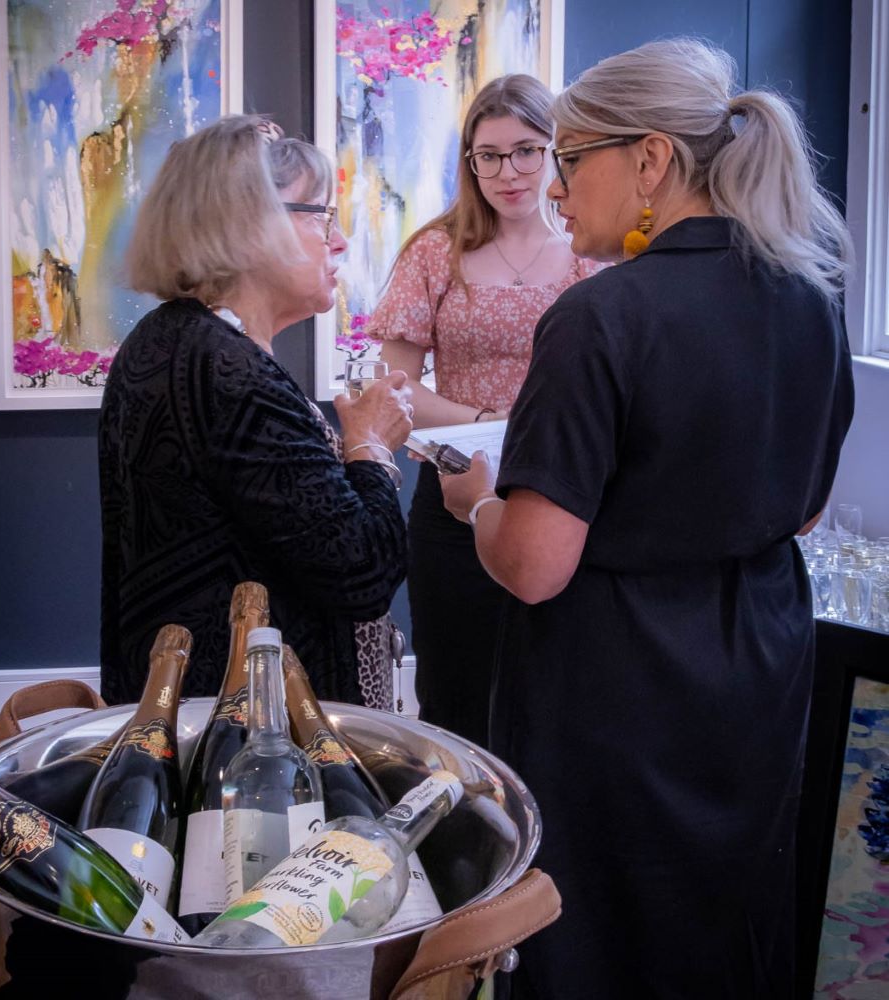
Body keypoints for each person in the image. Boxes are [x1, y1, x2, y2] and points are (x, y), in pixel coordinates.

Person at [439, 39, 854, 998]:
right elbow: (805, 510)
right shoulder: (809, 302)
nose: (555, 191)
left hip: (619, 687)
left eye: (571, 160)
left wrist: (478, 502)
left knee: (599, 936)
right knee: (728, 916)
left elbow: (537, 564)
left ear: (652, 161)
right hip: (760, 661)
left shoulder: (600, 318)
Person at [99, 115, 413, 710]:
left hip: (197, 705)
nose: (339, 240)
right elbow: (362, 571)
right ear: (247, 226)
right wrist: (370, 445)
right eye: (322, 215)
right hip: (251, 735)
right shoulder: (227, 373)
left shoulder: (171, 340)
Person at [370, 74, 601, 748]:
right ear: (470, 162)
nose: (510, 171)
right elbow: (395, 389)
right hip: (455, 501)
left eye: (527, 150)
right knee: (457, 694)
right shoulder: (436, 251)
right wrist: (489, 421)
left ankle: (545, 847)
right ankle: (461, 845)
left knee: (557, 692)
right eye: (489, 155)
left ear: (557, 151)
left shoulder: (590, 254)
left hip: (560, 502)